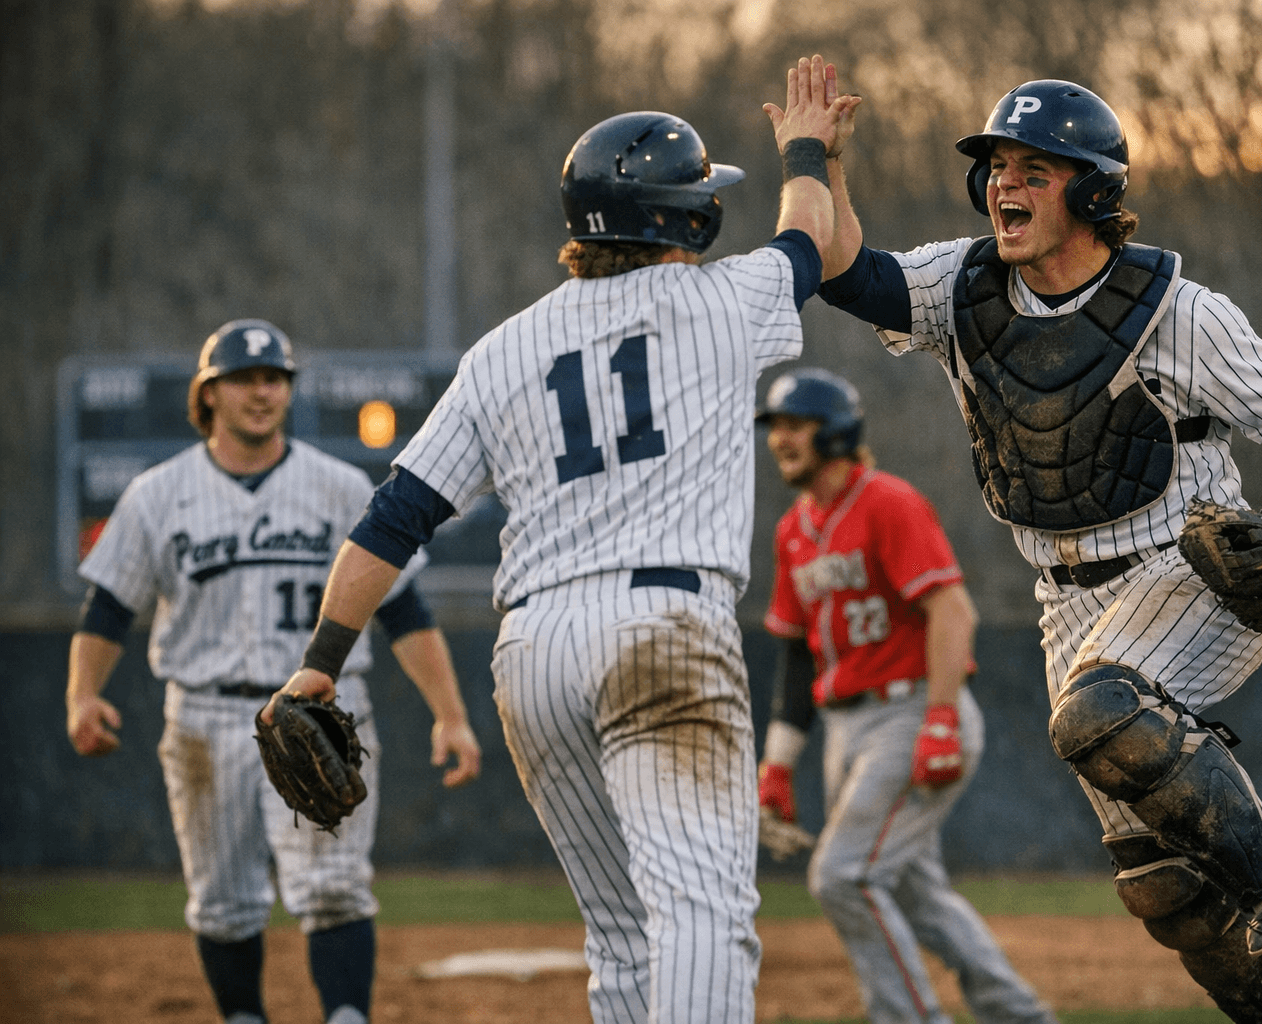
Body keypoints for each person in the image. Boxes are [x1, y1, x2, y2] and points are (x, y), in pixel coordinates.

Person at [259, 58, 857, 1024]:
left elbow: (394, 519)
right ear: (686, 219)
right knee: (703, 913)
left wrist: (320, 662)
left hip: (531, 651)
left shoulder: (502, 348)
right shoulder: (724, 301)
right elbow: (809, 236)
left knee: (620, 935)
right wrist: (805, 148)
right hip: (666, 629)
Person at [809, 72, 1262, 1023]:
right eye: (995, 166)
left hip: (1188, 572)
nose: (1003, 185)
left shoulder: (1175, 309)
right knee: (1163, 889)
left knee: (1097, 711)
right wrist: (813, 159)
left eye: (1035, 168)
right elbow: (846, 274)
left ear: (1096, 192)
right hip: (1064, 601)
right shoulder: (964, 284)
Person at [64, 318, 483, 1024]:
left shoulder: (338, 485)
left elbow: (404, 612)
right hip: (205, 714)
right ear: (209, 394)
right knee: (223, 902)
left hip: (325, 708)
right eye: (243, 378)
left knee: (334, 888)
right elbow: (107, 609)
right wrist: (81, 694)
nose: (262, 391)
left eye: (274, 378)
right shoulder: (156, 495)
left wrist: (451, 714)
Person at [754, 367, 1061, 1024]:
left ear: (834, 430)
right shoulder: (792, 531)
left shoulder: (885, 501)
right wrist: (778, 764)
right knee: (920, 898)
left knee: (844, 878)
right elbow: (794, 653)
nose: (779, 438)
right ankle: (1021, 1017)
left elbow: (952, 612)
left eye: (794, 424)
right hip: (846, 728)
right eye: (774, 426)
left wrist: (941, 719)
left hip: (909, 712)